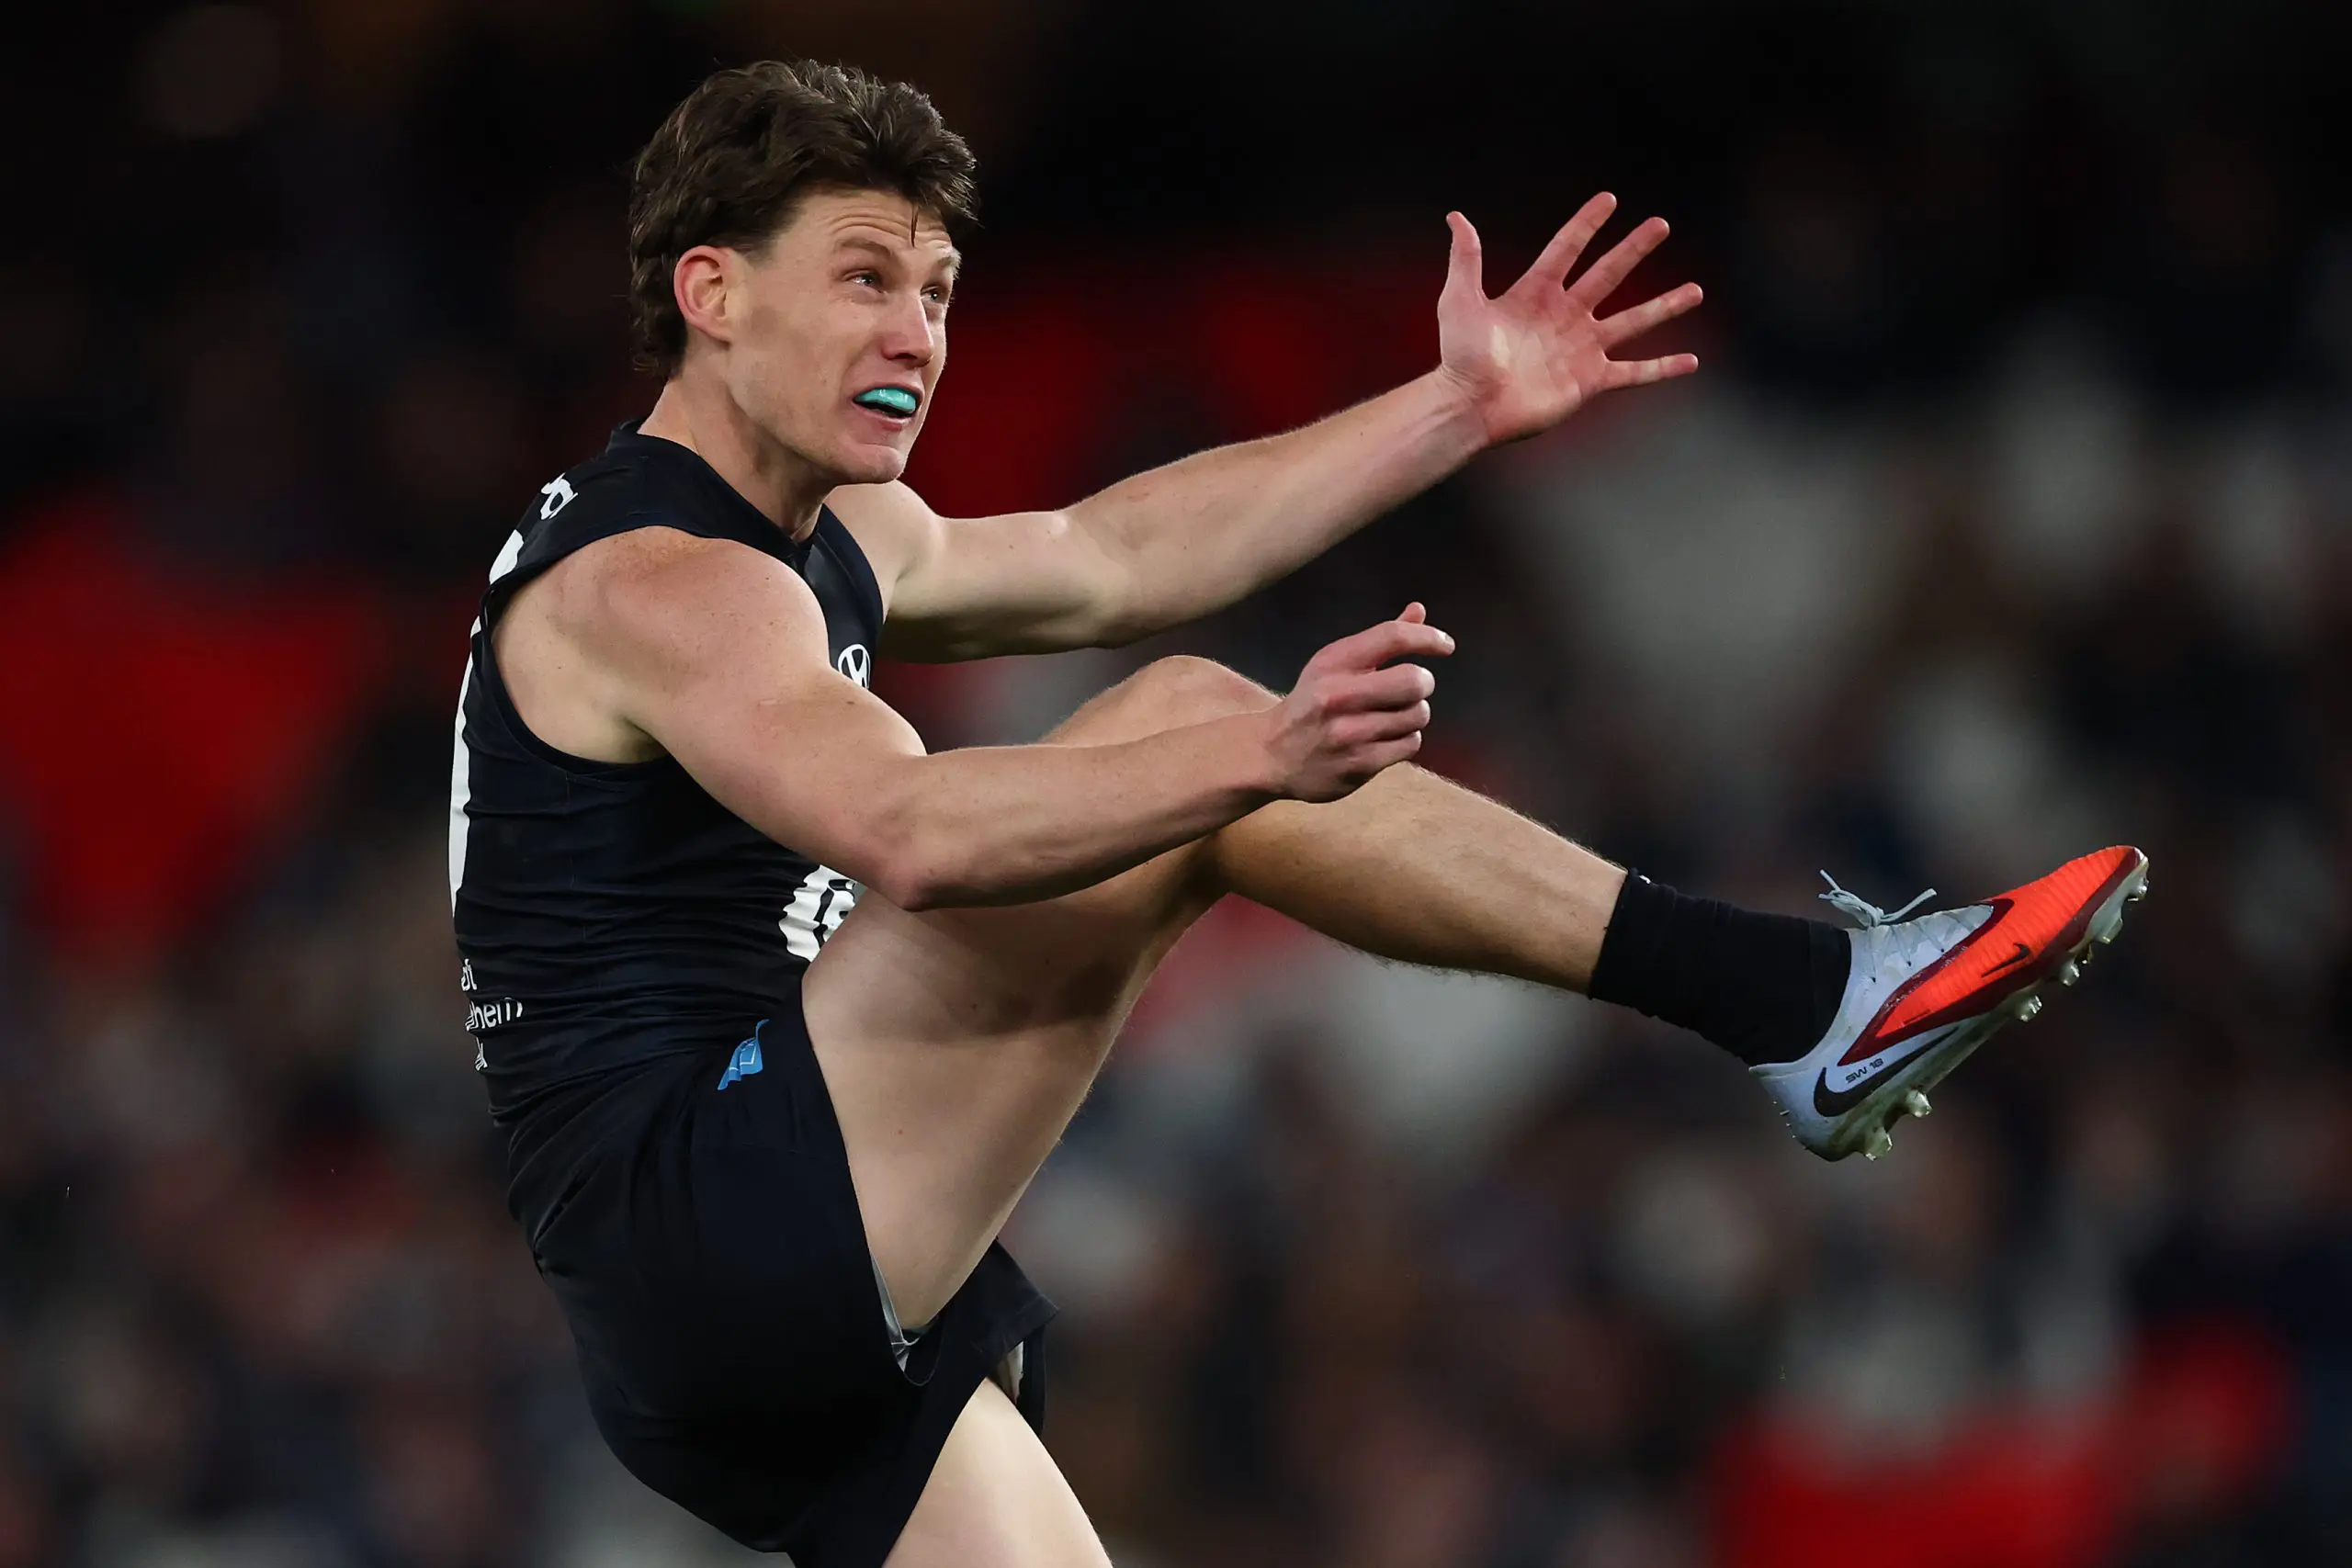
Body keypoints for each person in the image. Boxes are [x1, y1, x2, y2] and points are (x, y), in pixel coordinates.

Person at [447, 60, 2146, 1568]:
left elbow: (1120, 553)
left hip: (746, 1304)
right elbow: (915, 834)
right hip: (712, 1219)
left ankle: (1817, 1014)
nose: (919, 334)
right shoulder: (663, 579)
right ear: (712, 293)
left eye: (944, 290)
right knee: (1192, 715)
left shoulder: (824, 538)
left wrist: (1454, 407)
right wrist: (1251, 763)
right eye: (867, 277)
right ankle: (1807, 1003)